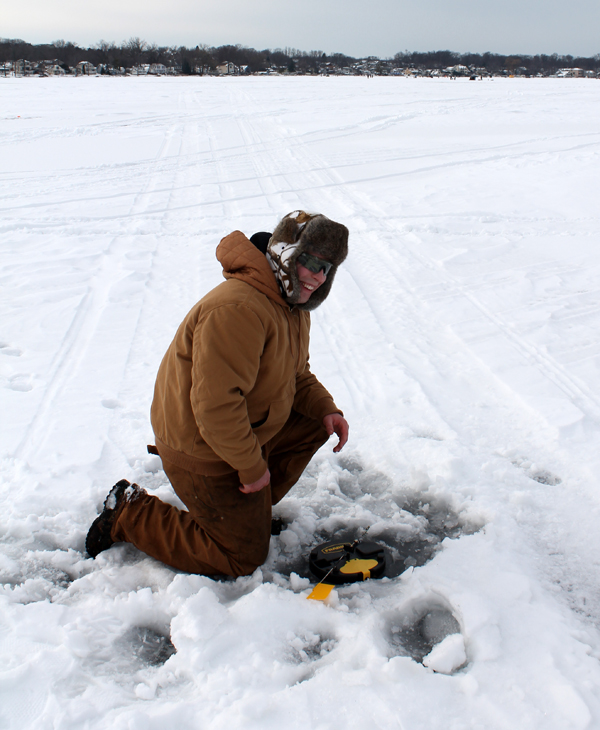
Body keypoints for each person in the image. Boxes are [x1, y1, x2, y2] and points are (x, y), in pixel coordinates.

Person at [86, 210, 350, 577]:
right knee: (241, 558)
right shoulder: (239, 308)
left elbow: (296, 373)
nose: (316, 277)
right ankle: (129, 513)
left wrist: (325, 408)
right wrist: (252, 468)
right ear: (286, 254)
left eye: (325, 268)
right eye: (307, 261)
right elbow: (216, 408)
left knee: (314, 421)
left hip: (233, 431)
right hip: (200, 446)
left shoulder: (290, 305)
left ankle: (243, 511)